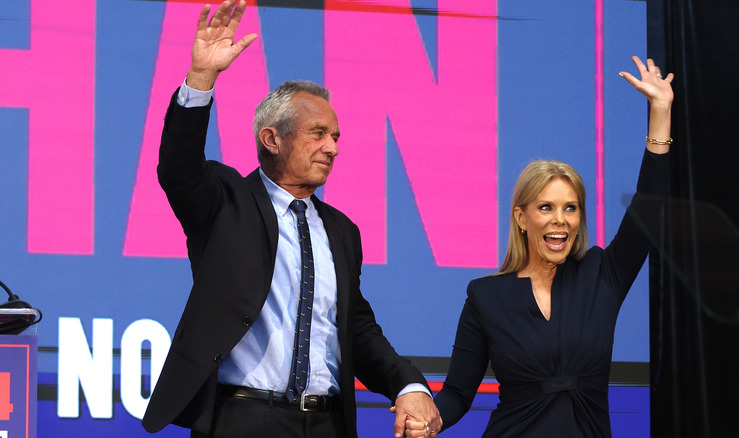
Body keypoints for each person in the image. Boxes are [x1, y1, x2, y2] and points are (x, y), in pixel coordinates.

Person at [140, 1, 442, 437]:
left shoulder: (342, 231)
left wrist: (408, 384)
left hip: (328, 423)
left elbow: (354, 327)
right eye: (318, 134)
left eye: (336, 136)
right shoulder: (226, 203)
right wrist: (201, 80)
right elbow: (177, 168)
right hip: (243, 418)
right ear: (272, 139)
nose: (333, 147)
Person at [404, 56, 674, 437]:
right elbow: (458, 393)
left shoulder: (602, 274)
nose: (559, 220)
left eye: (570, 208)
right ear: (521, 218)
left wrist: (660, 111)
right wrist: (429, 421)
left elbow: (648, 208)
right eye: (545, 208)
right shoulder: (486, 296)